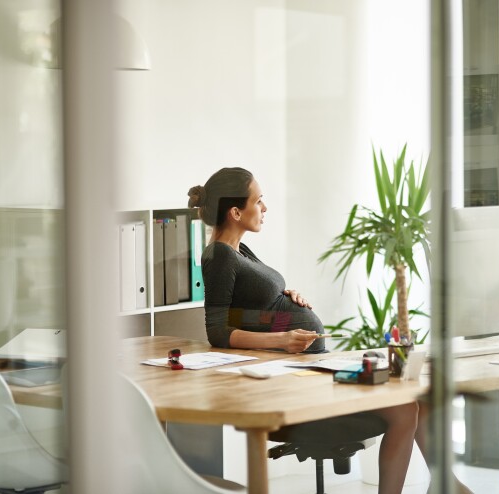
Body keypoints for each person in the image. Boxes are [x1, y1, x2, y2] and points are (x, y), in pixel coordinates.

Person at [188, 167, 473, 494]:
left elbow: (247, 316)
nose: (265, 208)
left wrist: (285, 303)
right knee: (405, 407)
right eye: (259, 200)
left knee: (414, 397)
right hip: (292, 381)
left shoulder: (238, 250)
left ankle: (446, 483)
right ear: (236, 212)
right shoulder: (219, 255)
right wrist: (283, 337)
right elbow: (218, 330)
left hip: (308, 368)